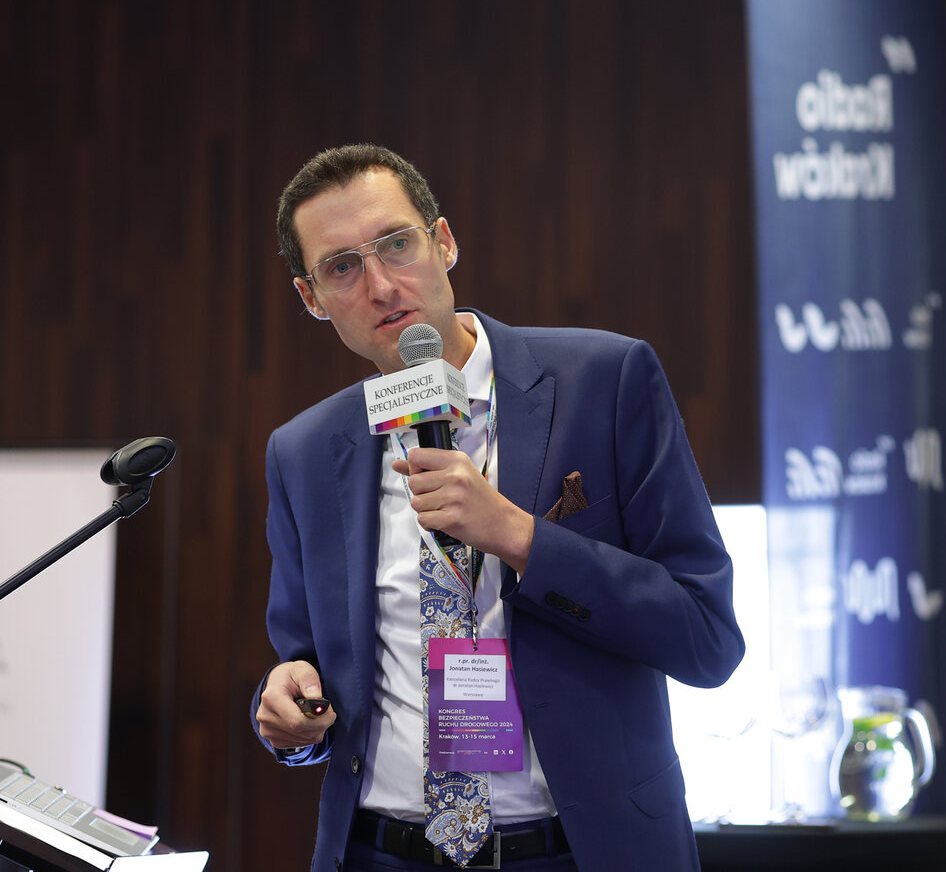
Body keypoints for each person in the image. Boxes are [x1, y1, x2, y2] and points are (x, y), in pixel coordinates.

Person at [251, 144, 744, 872]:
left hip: (578, 853)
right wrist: (288, 709)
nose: (382, 285)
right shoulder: (303, 452)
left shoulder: (606, 382)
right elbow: (304, 666)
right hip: (384, 853)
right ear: (311, 297)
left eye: (397, 244)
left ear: (444, 243)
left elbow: (707, 638)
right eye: (342, 267)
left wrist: (520, 537)